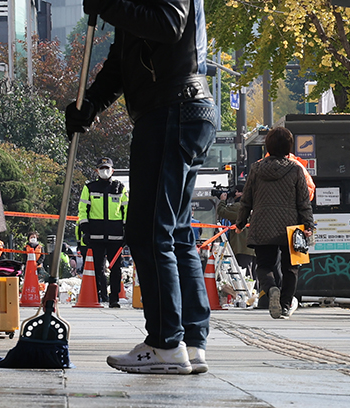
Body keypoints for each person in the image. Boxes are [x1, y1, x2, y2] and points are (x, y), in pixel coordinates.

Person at [65, 1, 216, 374]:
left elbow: (167, 23)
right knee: (175, 233)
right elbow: (122, 60)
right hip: (179, 110)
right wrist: (92, 105)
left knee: (149, 231)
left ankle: (165, 343)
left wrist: (108, 5)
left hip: (171, 109)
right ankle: (190, 341)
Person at [235, 127, 314, 320]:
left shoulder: (256, 168)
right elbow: (303, 201)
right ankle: (285, 305)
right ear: (289, 147)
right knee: (291, 267)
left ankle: (271, 290)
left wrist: (240, 222)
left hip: (263, 224)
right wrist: (308, 225)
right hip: (291, 227)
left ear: (267, 146)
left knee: (264, 265)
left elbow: (247, 199)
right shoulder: (296, 169)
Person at [77, 157, 128, 308]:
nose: (105, 171)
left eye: (107, 168)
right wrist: (85, 230)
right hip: (96, 235)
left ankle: (114, 299)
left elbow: (127, 211)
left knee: (115, 269)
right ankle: (99, 295)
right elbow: (82, 210)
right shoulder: (90, 188)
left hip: (116, 236)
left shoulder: (120, 188)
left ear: (113, 170)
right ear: (97, 171)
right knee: (97, 268)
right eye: (102, 168)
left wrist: (128, 232)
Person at [216, 185, 257, 288]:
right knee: (253, 273)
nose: (233, 194)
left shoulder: (239, 206)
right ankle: (256, 295)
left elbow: (222, 212)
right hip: (253, 246)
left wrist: (222, 200)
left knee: (244, 273)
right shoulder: (253, 205)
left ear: (241, 193)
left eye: (235, 192)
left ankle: (249, 296)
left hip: (242, 246)